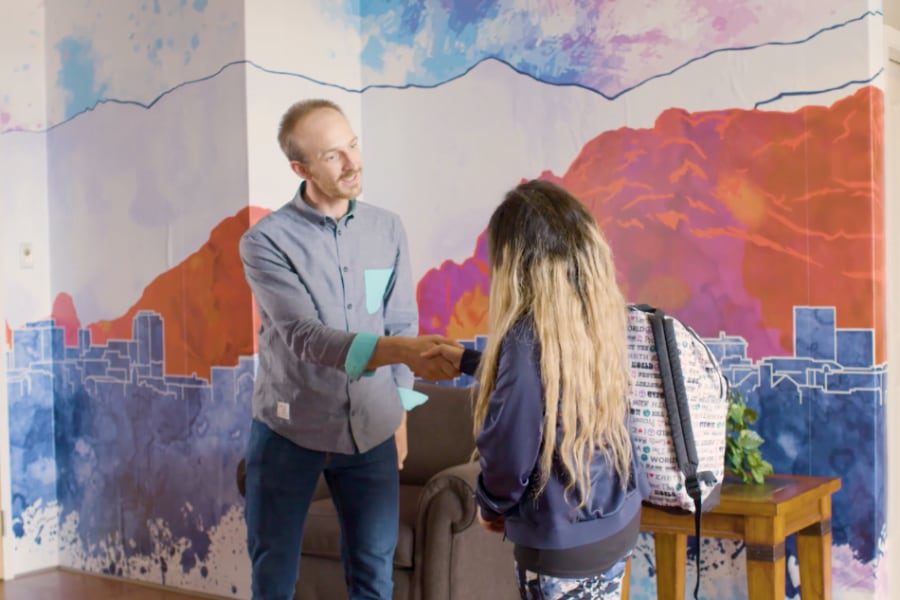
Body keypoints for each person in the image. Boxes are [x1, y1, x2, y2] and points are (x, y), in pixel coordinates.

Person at [239, 98, 457, 600]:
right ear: (301, 168)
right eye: (333, 155)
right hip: (289, 429)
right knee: (272, 579)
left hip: (373, 430)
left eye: (353, 144)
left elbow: (401, 318)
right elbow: (308, 339)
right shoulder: (265, 242)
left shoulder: (388, 228)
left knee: (373, 577)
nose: (353, 163)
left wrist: (401, 413)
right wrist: (403, 350)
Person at [425, 180, 650, 599]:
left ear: (518, 261)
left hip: (560, 542)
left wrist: (491, 505)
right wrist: (468, 362)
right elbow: (553, 387)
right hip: (617, 523)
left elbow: (512, 452)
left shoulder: (524, 337)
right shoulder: (598, 316)